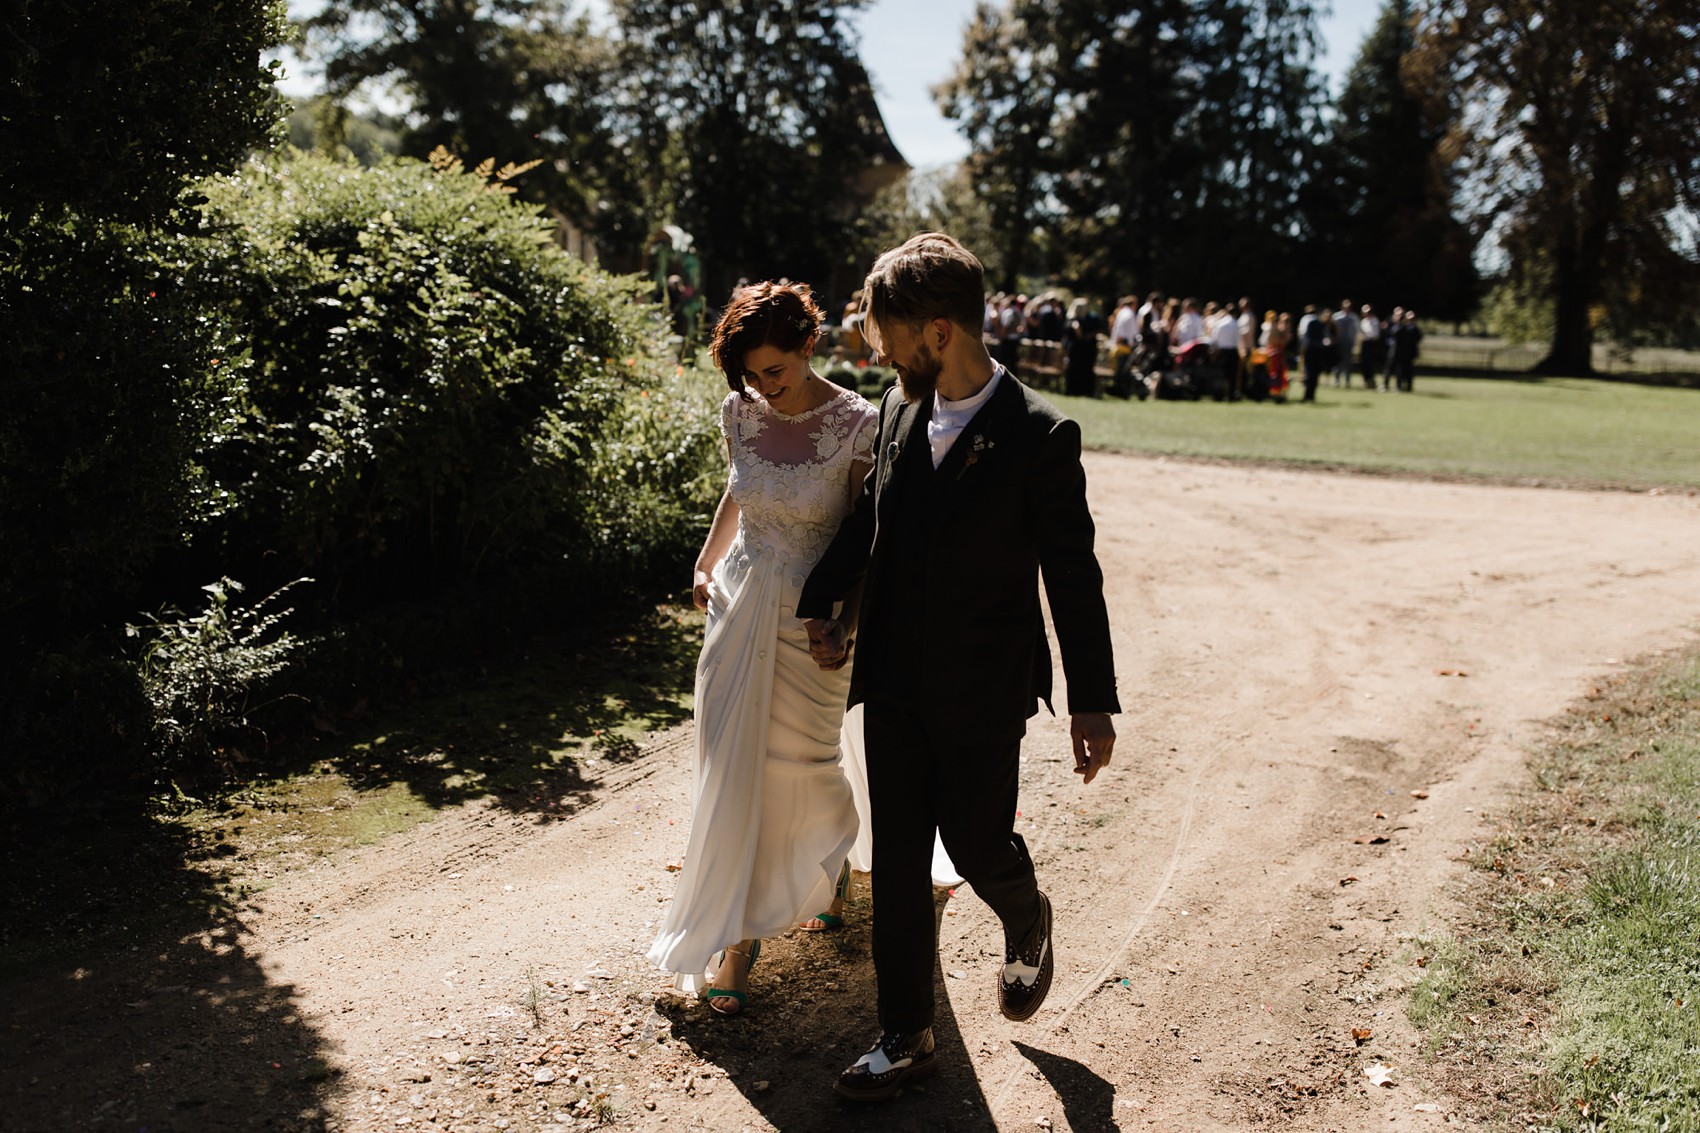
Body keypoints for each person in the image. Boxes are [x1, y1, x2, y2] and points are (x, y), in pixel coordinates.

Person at [798, 232, 1120, 1102]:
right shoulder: (901, 410)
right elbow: (872, 520)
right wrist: (823, 602)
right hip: (896, 676)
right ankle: (906, 1034)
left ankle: (1025, 912)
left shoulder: (1041, 434)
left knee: (978, 842)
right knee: (898, 861)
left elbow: (1073, 573)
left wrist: (1093, 701)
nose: (877, 348)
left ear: (938, 330)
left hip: (984, 686)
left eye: (887, 332)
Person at [646, 282, 877, 1015]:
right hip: (738, 603)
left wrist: (847, 620)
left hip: (813, 617)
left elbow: (864, 538)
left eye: (773, 371)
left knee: (802, 768)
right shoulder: (739, 412)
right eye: (750, 375)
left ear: (809, 346)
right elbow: (739, 491)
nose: (762, 388)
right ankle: (736, 937)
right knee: (729, 766)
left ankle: (827, 861)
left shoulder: (857, 425)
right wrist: (703, 560)